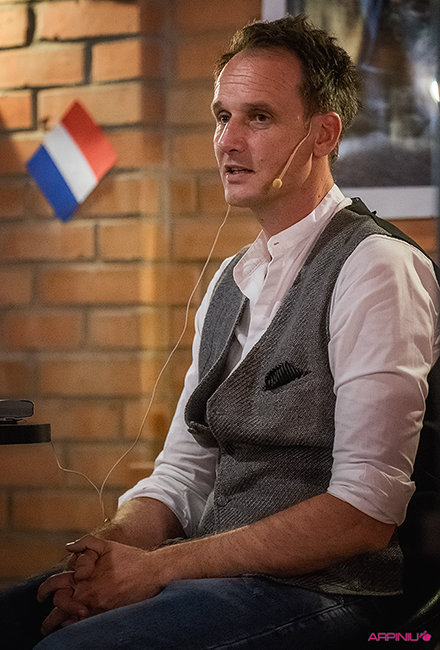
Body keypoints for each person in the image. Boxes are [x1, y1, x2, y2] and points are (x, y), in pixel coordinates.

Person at [2, 15, 439, 649]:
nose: (228, 141)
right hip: (211, 577)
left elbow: (365, 513)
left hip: (326, 593)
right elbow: (183, 472)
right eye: (221, 116)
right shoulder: (230, 280)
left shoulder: (377, 267)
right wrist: (109, 553)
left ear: (323, 133)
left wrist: (158, 569)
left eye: (258, 117)